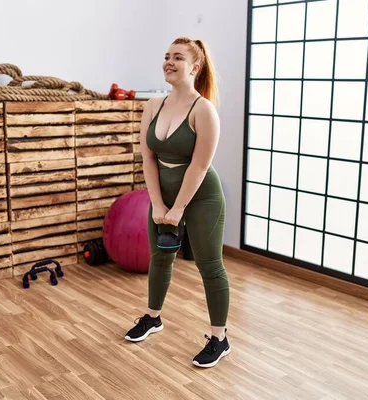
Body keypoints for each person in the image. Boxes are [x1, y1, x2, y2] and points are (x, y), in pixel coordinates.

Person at [124, 37, 231, 368]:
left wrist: (179, 208)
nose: (169, 62)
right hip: (165, 192)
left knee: (209, 264)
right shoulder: (153, 106)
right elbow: (148, 158)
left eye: (178, 58)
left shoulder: (204, 110)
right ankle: (153, 318)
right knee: (160, 258)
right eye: (167, 56)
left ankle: (219, 338)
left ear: (195, 67)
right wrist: (157, 204)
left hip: (200, 196)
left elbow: (199, 167)